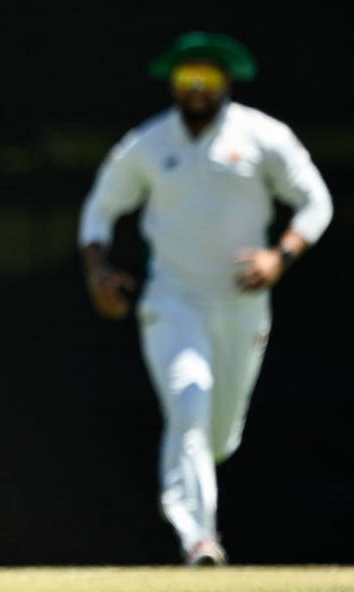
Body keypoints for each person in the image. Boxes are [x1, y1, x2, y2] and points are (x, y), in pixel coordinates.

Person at [79, 31, 332, 565]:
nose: (196, 88)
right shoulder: (148, 144)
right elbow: (99, 209)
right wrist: (98, 270)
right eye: (186, 77)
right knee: (189, 401)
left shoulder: (263, 136)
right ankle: (199, 538)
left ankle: (193, 486)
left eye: (208, 77)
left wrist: (280, 257)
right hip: (172, 302)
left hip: (241, 305)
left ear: (227, 83)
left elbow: (316, 202)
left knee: (217, 438)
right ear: (172, 83)